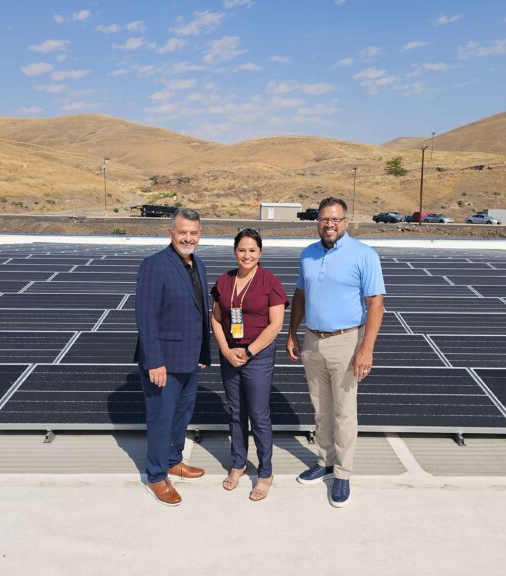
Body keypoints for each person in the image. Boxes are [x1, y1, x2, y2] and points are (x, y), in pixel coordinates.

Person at [286, 197, 385, 508]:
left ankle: (342, 473)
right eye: (324, 219)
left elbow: (376, 304)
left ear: (346, 222)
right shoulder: (308, 254)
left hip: (346, 341)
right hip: (312, 340)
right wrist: (292, 331)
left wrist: (366, 349)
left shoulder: (364, 255)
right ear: (317, 221)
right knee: (321, 408)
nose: (329, 224)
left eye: (335, 219)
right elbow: (300, 295)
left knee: (344, 411)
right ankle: (325, 462)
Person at [135, 208, 211, 506]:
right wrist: (154, 361)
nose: (188, 238)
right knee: (161, 418)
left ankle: (172, 460)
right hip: (163, 361)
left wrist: (202, 352)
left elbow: (199, 312)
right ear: (171, 233)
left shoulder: (198, 264)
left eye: (193, 233)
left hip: (189, 358)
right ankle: (156, 476)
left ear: (199, 235)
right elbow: (146, 317)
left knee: (181, 415)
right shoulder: (155, 265)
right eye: (182, 232)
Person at [210, 228, 288, 502]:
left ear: (260, 253)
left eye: (252, 250)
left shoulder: (270, 282)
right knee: (236, 412)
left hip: (258, 356)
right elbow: (216, 318)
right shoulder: (224, 281)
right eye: (242, 250)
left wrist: (249, 351)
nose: (247, 255)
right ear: (235, 252)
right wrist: (226, 350)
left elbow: (276, 324)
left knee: (258, 414)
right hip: (230, 356)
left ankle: (265, 473)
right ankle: (238, 464)